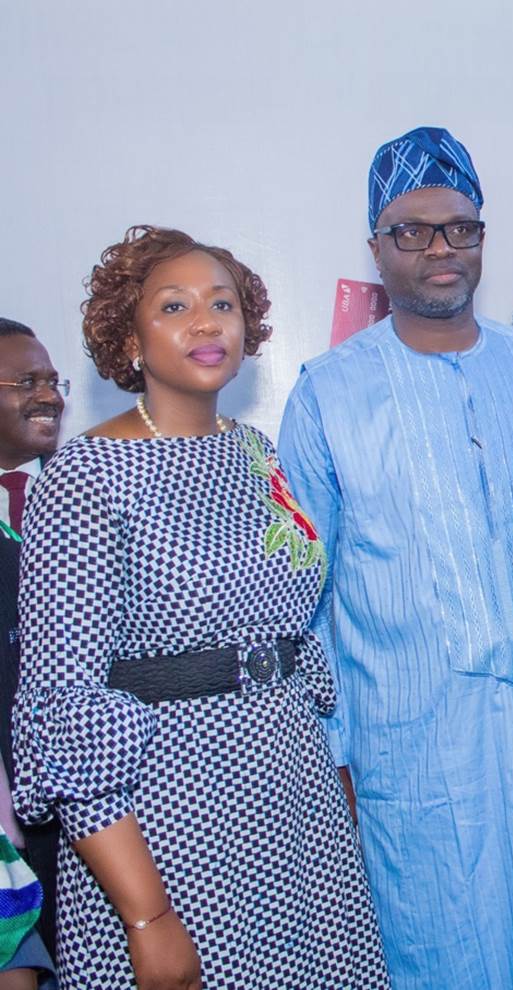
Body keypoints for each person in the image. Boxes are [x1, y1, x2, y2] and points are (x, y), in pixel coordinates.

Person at [278, 126, 513, 990]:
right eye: (413, 230)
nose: (440, 248)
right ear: (376, 245)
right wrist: (336, 755)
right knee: (443, 950)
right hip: (414, 745)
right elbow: (306, 602)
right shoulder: (327, 392)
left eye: (460, 227)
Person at [12, 227, 389, 990]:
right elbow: (66, 708)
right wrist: (146, 917)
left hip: (291, 794)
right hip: (169, 815)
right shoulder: (86, 476)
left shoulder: (256, 453)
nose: (206, 322)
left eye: (222, 303)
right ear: (130, 339)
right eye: (175, 306)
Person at [0, 318, 60, 987]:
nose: (47, 395)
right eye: (26, 382)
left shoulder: (82, 501)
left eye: (51, 381)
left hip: (81, 824)